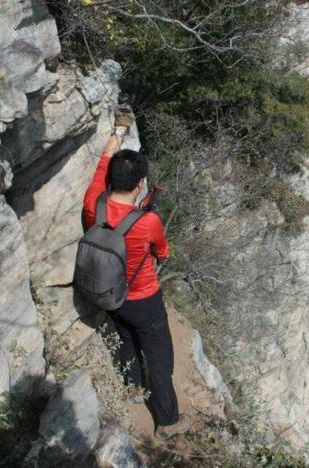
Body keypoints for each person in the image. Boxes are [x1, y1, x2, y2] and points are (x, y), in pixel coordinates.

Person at [81, 104, 192, 441]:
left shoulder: (93, 202)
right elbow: (162, 251)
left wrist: (119, 131)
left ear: (111, 178)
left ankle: (132, 387)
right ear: (140, 183)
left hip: (108, 293)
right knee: (159, 357)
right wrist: (159, 251)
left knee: (126, 338)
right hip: (144, 298)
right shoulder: (148, 221)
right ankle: (167, 421)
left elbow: (103, 161)